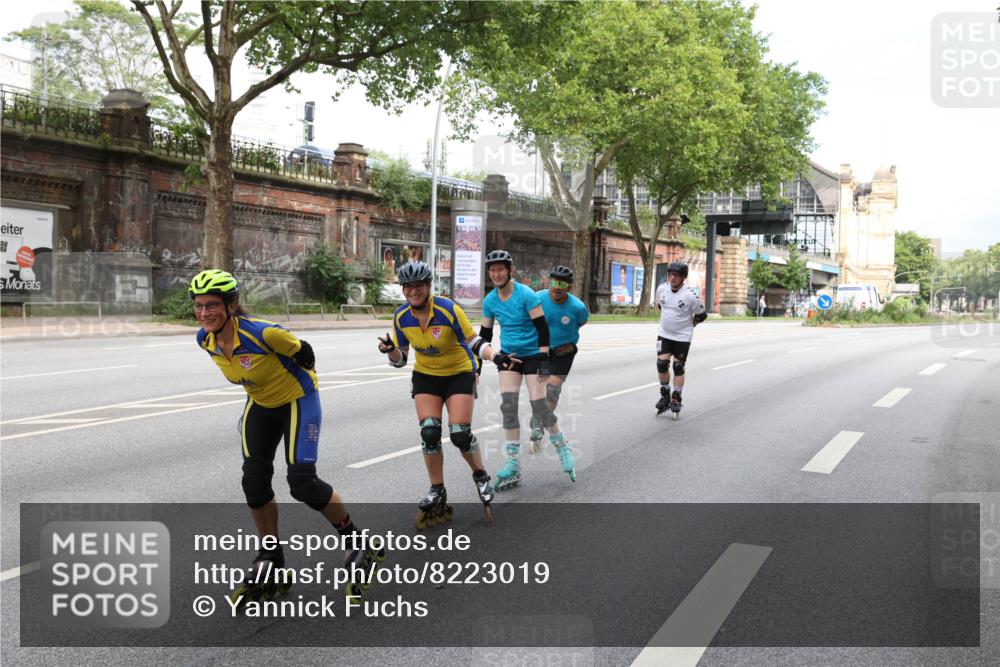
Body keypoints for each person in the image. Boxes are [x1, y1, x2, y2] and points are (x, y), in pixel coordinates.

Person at [189, 269, 382, 603]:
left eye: (213, 305)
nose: (205, 313)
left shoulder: (265, 334)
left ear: (232, 304)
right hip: (260, 405)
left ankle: (357, 542)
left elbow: (305, 353)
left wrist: (301, 380)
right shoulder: (205, 340)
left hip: (298, 402)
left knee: (302, 483)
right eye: (199, 306)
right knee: (253, 481)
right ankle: (271, 558)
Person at [377, 260, 512, 526]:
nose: (413, 291)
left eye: (418, 286)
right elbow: (401, 358)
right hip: (427, 377)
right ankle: (437, 489)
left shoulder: (448, 309)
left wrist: (495, 357)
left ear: (428, 286)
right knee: (429, 433)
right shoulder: (401, 317)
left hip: (459, 373)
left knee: (460, 434)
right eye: (408, 287)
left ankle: (480, 474)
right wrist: (390, 349)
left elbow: (474, 341)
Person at [480, 250, 572, 489]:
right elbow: (485, 336)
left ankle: (561, 444)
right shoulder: (490, 300)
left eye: (500, 269)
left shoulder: (526, 294)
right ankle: (512, 463)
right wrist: (476, 367)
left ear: (510, 271)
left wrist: (543, 359)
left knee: (540, 407)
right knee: (508, 406)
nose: (496, 274)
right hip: (510, 357)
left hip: (533, 354)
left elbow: (543, 329)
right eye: (492, 270)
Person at [532, 265, 588, 480]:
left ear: (569, 287)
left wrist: (566, 339)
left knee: (553, 390)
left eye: (562, 284)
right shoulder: (538, 298)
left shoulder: (577, 306)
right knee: (540, 390)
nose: (557, 287)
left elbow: (582, 321)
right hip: (542, 350)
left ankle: (541, 419)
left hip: (565, 350)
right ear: (549, 282)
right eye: (554, 282)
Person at [654, 261, 707, 419]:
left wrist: (692, 324)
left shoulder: (690, 296)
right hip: (664, 334)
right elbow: (659, 305)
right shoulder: (662, 289)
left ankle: (676, 397)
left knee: (678, 367)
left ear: (683, 277)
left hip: (683, 337)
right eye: (670, 274)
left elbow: (702, 314)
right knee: (661, 364)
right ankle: (665, 395)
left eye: (676, 275)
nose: (673, 277)